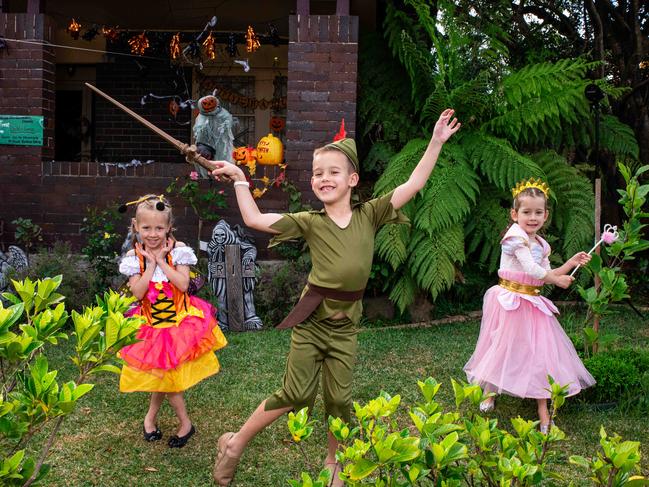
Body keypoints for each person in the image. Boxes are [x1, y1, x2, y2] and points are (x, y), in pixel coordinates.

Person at [210, 109, 461, 486]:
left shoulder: (371, 214)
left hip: (345, 327)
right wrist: (241, 181)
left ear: (352, 179)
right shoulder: (310, 222)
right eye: (317, 173)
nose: (323, 178)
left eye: (332, 171)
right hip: (312, 323)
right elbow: (255, 221)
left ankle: (334, 461)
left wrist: (436, 142)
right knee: (294, 394)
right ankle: (235, 444)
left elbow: (413, 183)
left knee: (340, 401)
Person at [463, 179, 596, 433]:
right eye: (526, 212)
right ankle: (490, 390)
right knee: (502, 346)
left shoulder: (541, 245)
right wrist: (557, 279)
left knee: (539, 354)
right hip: (510, 299)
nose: (532, 217)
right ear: (515, 214)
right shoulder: (514, 238)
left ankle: (543, 411)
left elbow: (545, 271)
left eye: (538, 212)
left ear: (545, 215)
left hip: (532, 301)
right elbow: (531, 269)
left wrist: (569, 263)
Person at [118, 194, 227, 448]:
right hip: (151, 327)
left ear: (169, 227)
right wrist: (149, 265)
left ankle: (178, 423)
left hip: (178, 326)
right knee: (165, 376)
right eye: (146, 228)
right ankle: (162, 420)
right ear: (136, 226)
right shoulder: (134, 258)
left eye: (159, 227)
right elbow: (138, 293)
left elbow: (183, 284)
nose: (153, 234)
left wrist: (161, 261)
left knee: (167, 376)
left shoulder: (179, 252)